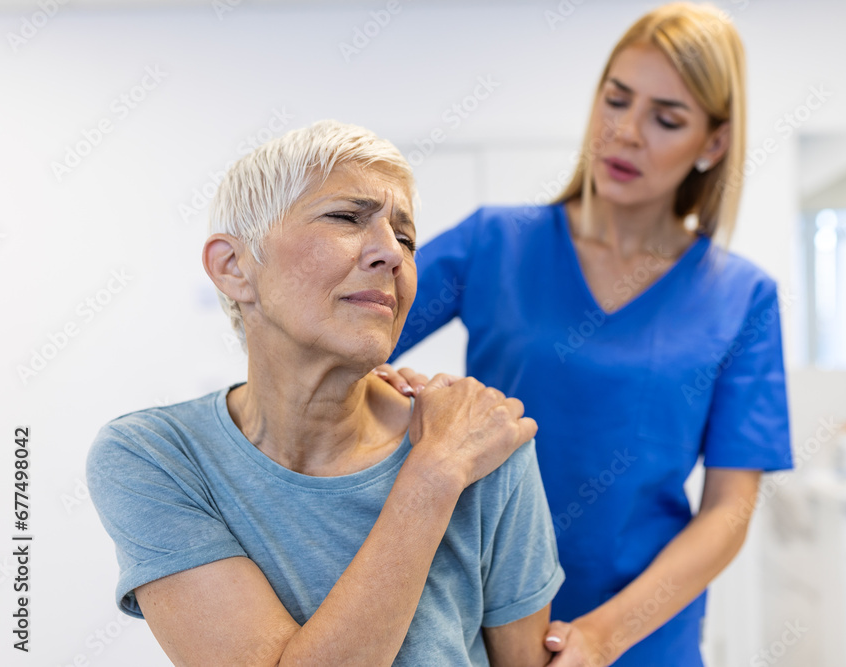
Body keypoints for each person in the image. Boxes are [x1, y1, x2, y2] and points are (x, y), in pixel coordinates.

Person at [377, 4, 793, 665]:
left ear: (713, 144)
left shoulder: (741, 297)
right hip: (477, 619)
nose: (626, 133)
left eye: (667, 118)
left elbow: (728, 510)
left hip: (640, 635)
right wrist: (393, 388)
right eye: (616, 99)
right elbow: (349, 341)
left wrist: (603, 636)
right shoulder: (495, 242)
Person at [86, 119, 565, 666]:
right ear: (234, 267)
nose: (393, 254)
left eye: (405, 238)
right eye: (345, 217)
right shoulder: (155, 456)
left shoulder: (485, 443)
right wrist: (433, 475)